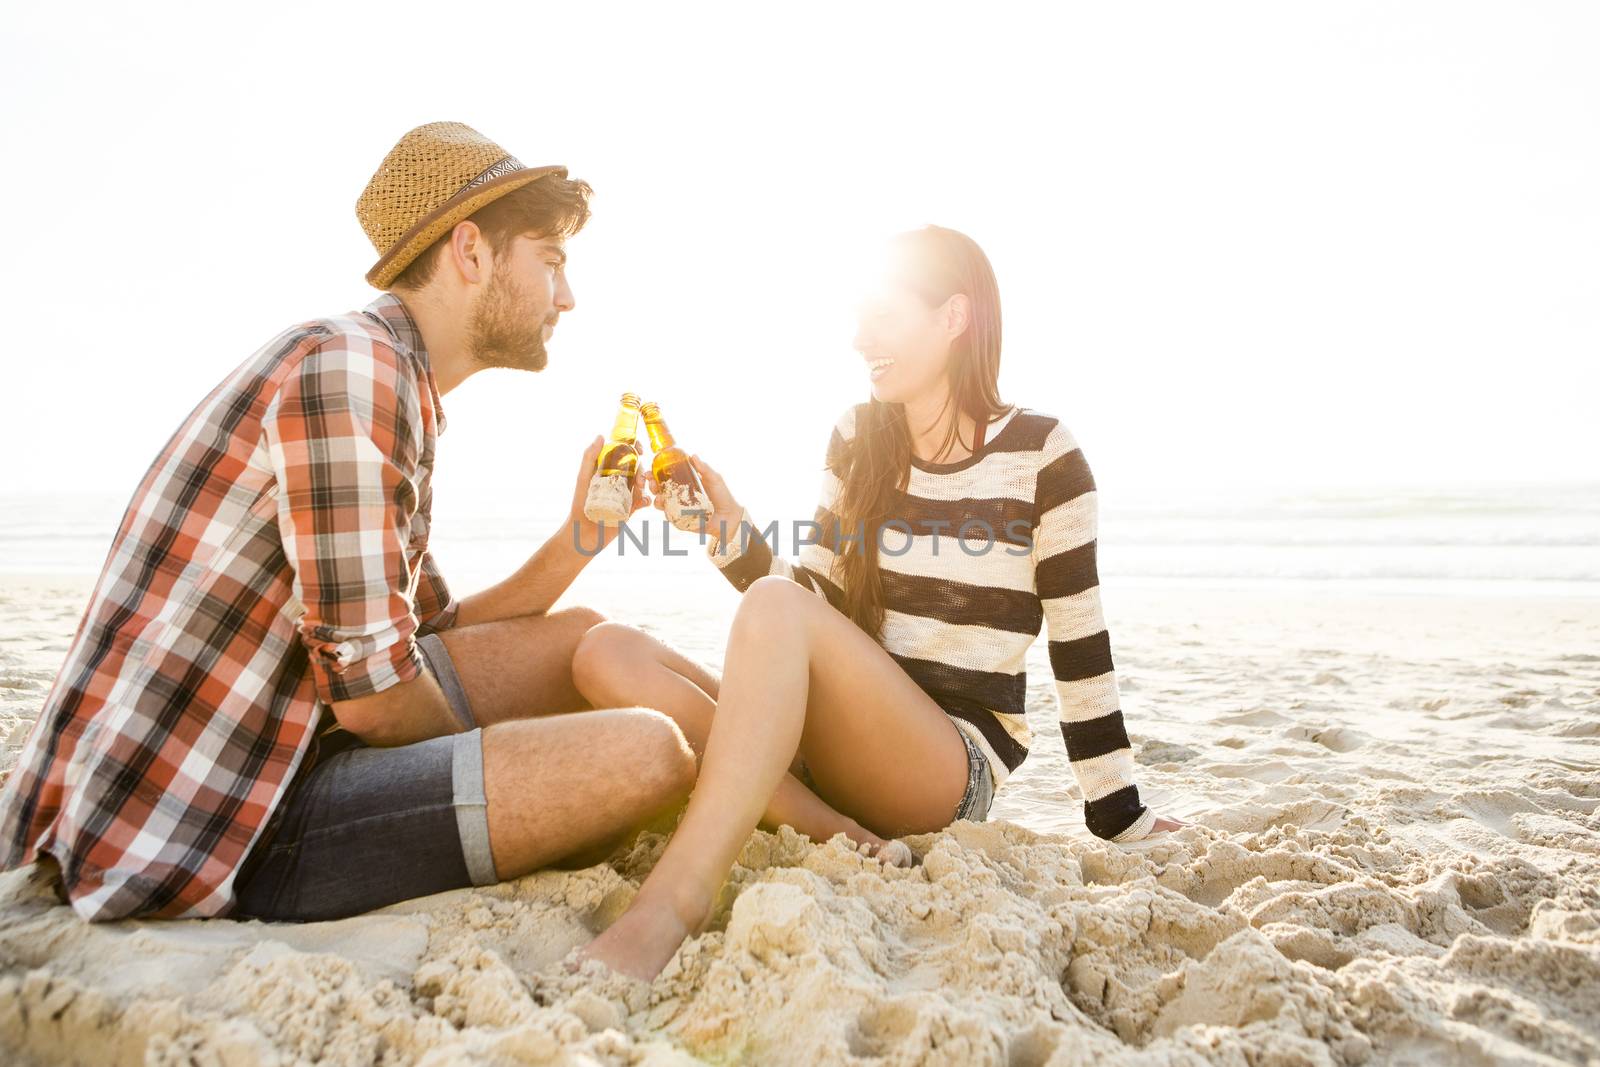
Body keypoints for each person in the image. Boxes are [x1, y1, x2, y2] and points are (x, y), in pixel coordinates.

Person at [0, 121, 718, 922]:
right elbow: (377, 698)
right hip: (224, 821)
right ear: (471, 252)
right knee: (646, 753)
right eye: (550, 260)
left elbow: (429, 629)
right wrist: (486, 754)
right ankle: (785, 762)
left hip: (291, 735)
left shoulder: (390, 375)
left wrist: (580, 538)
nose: (568, 295)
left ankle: (780, 745)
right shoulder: (351, 369)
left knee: (583, 629)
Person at [569, 224, 1190, 981]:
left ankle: (674, 903)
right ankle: (833, 826)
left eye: (884, 317)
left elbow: (1079, 644)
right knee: (606, 651)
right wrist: (723, 530)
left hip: (943, 764)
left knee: (768, 610)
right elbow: (815, 605)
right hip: (832, 747)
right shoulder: (858, 436)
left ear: (954, 317)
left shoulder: (1044, 455)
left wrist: (1117, 810)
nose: (861, 338)